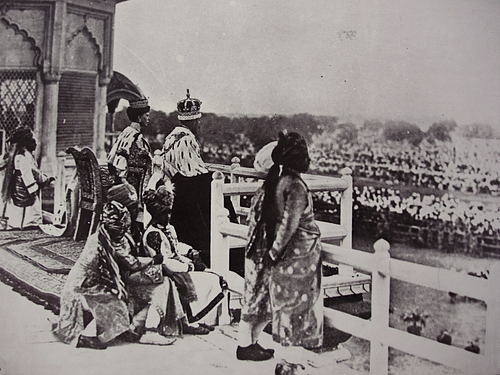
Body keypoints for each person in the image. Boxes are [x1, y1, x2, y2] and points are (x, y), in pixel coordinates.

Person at [55, 186, 177, 349]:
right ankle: (144, 330)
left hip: (111, 281)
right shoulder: (112, 233)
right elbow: (130, 263)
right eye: (133, 207)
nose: (137, 211)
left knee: (162, 282)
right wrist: (153, 261)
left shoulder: (118, 228)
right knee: (127, 301)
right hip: (87, 288)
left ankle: (141, 327)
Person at [236, 131, 323, 361]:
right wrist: (275, 253)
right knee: (257, 295)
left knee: (258, 295)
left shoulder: (275, 180)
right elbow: (288, 225)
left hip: (260, 244)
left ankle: (250, 343)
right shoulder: (294, 185)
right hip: (267, 248)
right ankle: (245, 344)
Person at [160, 90, 236, 266]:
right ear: (193, 121)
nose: (199, 125)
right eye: (198, 121)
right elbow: (194, 172)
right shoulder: (187, 139)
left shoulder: (171, 136)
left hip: (176, 184)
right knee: (216, 187)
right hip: (186, 188)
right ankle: (227, 242)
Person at [142, 182, 228, 334]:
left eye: (169, 212)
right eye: (163, 213)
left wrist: (190, 252)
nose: (167, 217)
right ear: (155, 214)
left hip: (178, 266)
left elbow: (175, 245)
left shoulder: (169, 228)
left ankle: (198, 319)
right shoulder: (152, 234)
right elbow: (164, 261)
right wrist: (191, 267)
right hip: (167, 272)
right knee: (207, 280)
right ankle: (190, 321)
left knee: (214, 276)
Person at [107, 97, 152, 241]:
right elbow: (136, 161)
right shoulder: (136, 137)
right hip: (128, 183)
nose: (148, 118)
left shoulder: (125, 132)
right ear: (139, 117)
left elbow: (112, 157)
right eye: (146, 116)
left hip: (118, 179)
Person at [0, 126, 54, 229]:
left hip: (21, 184)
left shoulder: (24, 155)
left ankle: (20, 223)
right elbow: (27, 174)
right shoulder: (22, 156)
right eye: (33, 138)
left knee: (21, 209)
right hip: (24, 186)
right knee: (28, 208)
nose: (36, 141)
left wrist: (44, 179)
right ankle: (28, 224)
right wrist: (32, 189)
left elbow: (34, 172)